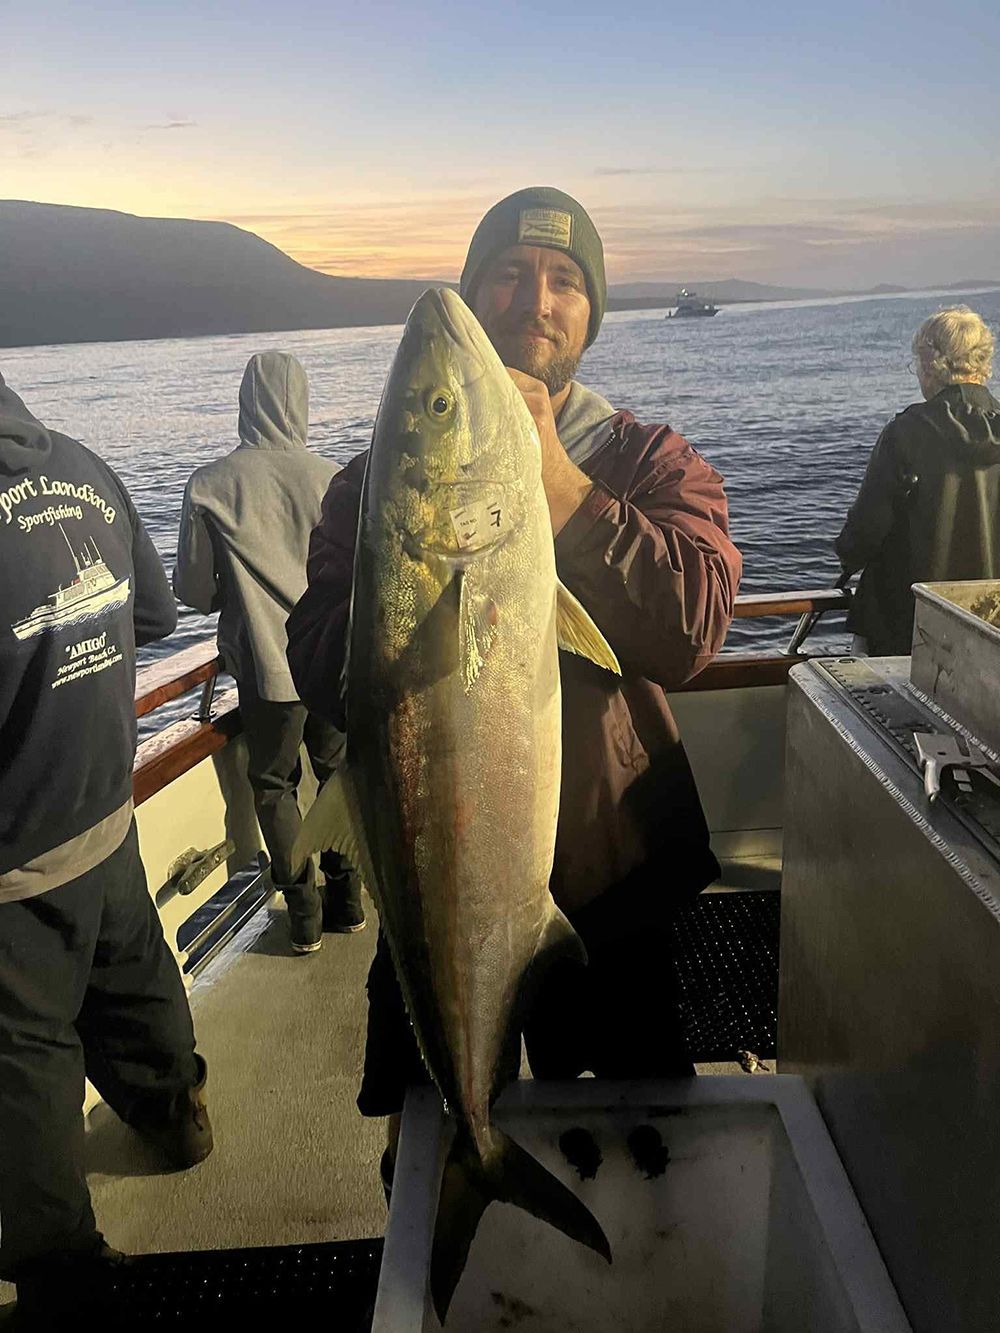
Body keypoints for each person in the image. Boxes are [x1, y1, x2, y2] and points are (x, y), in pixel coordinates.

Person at [285, 186, 742, 1159]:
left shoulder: (650, 461)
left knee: (642, 1150)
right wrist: (409, 577)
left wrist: (560, 490)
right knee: (430, 1143)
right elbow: (315, 658)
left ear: (591, 310)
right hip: (432, 882)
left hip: (618, 888)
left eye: (565, 280)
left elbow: (692, 629)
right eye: (509, 273)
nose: (537, 298)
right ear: (476, 289)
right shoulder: (374, 485)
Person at [0, 372, 212, 1324]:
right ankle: (180, 1120)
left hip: (15, 856)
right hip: (107, 809)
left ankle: (62, 1275)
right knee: (135, 980)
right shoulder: (87, 469)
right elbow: (156, 620)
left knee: (26, 1059)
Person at [174, 351, 364, 954]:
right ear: (301, 402)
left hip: (268, 672)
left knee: (275, 786)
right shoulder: (332, 477)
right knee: (336, 777)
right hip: (331, 664)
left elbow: (194, 592)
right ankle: (349, 901)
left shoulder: (210, 485)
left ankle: (303, 919)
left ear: (244, 404)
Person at [837, 306, 1000, 656]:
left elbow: (864, 532)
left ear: (931, 364)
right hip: (990, 624)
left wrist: (846, 553)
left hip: (907, 625)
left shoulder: (906, 433)